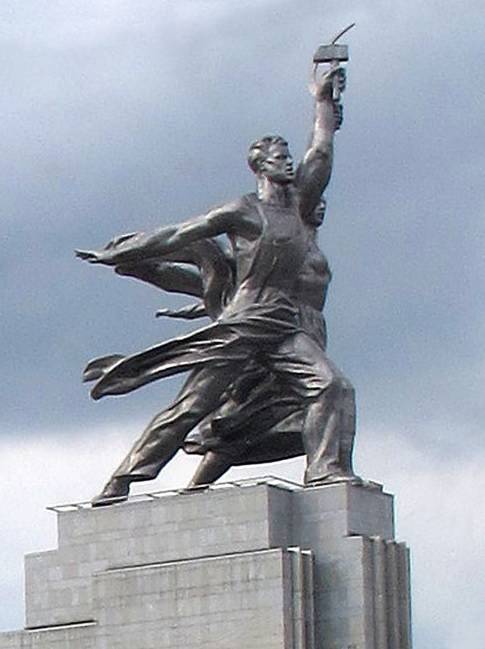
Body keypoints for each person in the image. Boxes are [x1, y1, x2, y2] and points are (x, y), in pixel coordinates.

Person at [77, 64, 360, 505]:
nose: (288, 161)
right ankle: (121, 482)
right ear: (260, 167)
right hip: (243, 324)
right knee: (191, 407)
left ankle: (325, 470)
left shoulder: (298, 207)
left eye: (289, 155)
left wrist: (322, 100)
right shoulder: (242, 211)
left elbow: (321, 151)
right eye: (279, 156)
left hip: (284, 326)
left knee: (332, 386)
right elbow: (177, 235)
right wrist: (124, 252)